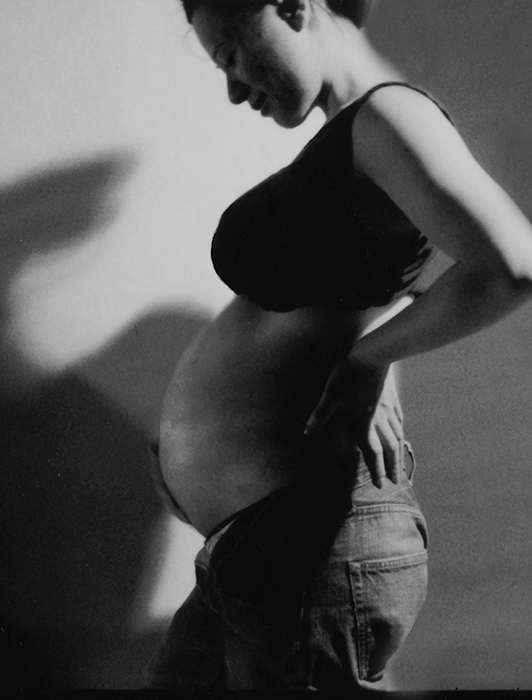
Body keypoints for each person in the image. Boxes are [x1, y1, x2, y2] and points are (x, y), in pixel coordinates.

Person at [145, 0, 532, 691]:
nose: (232, 89)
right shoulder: (362, 135)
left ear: (292, 5)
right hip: (261, 538)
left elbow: (510, 266)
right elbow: (393, 285)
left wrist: (368, 361)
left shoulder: (389, 116)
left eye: (231, 55)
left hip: (312, 535)